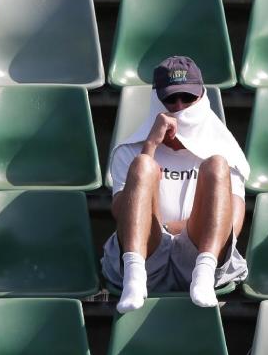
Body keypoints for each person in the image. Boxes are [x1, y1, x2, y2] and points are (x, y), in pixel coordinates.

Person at [101, 56, 249, 313]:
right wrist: (151, 145)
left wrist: (175, 227)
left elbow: (234, 223)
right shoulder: (130, 149)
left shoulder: (225, 148)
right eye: (170, 98)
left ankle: (204, 271)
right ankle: (134, 277)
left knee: (216, 164)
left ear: (201, 97)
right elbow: (120, 213)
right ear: (157, 100)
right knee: (143, 165)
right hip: (149, 250)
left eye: (188, 97)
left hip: (200, 250)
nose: (179, 106)